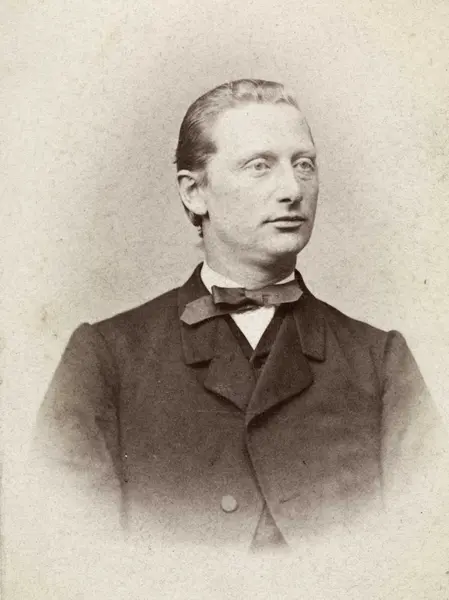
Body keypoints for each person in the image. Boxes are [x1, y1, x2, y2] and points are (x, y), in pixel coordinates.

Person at [30, 79, 448, 556]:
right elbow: (69, 556)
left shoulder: (380, 361)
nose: (292, 189)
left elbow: (424, 548)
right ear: (195, 192)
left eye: (304, 164)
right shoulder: (106, 358)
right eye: (259, 166)